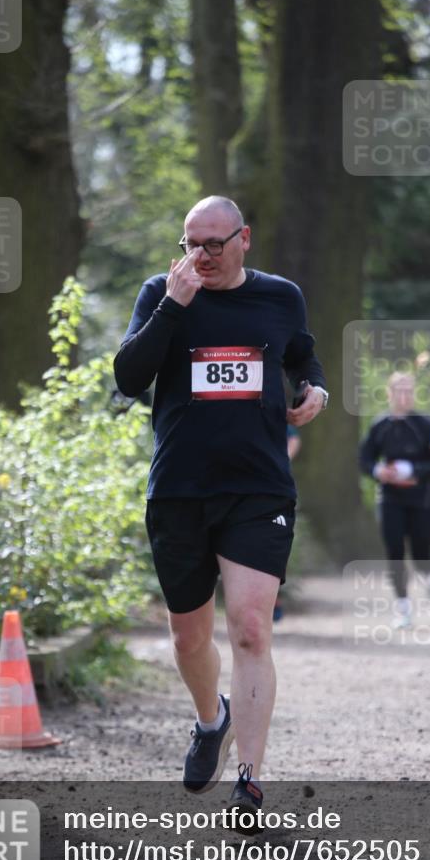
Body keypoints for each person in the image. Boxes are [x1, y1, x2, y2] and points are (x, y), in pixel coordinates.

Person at [113, 196, 327, 826]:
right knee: (189, 636)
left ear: (243, 239)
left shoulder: (280, 296)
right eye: (189, 244)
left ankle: (251, 784)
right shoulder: (162, 292)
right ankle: (213, 718)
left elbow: (301, 355)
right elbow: (128, 377)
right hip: (179, 487)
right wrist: (174, 307)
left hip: (258, 487)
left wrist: (315, 389)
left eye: (212, 244)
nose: (199, 257)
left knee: (253, 628)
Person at [359, 372, 430, 627]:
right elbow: (364, 459)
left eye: (409, 390)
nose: (404, 395)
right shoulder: (379, 425)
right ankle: (403, 607)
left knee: (421, 552)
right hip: (389, 498)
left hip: (423, 500)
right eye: (399, 390)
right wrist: (379, 472)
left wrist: (413, 472)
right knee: (394, 551)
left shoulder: (425, 425)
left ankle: (429, 579)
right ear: (389, 393)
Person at [273, 426, 302, 623]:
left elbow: (293, 438)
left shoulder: (271, 406)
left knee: (274, 547)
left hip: (275, 489)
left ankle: (275, 600)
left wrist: (280, 460)